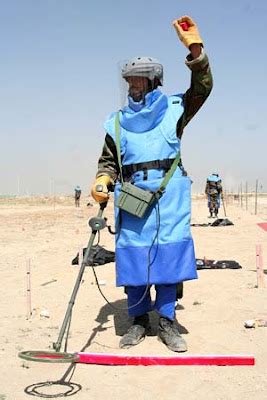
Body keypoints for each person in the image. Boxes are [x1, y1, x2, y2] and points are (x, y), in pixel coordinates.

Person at [91, 15, 213, 352]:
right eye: (129, 81)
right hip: (133, 201)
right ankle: (139, 322)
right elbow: (108, 161)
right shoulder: (116, 123)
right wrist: (103, 178)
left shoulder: (175, 109)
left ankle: (168, 322)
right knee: (134, 260)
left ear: (153, 82)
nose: (132, 86)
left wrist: (196, 51)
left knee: (169, 260)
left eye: (138, 81)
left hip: (169, 199)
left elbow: (203, 88)